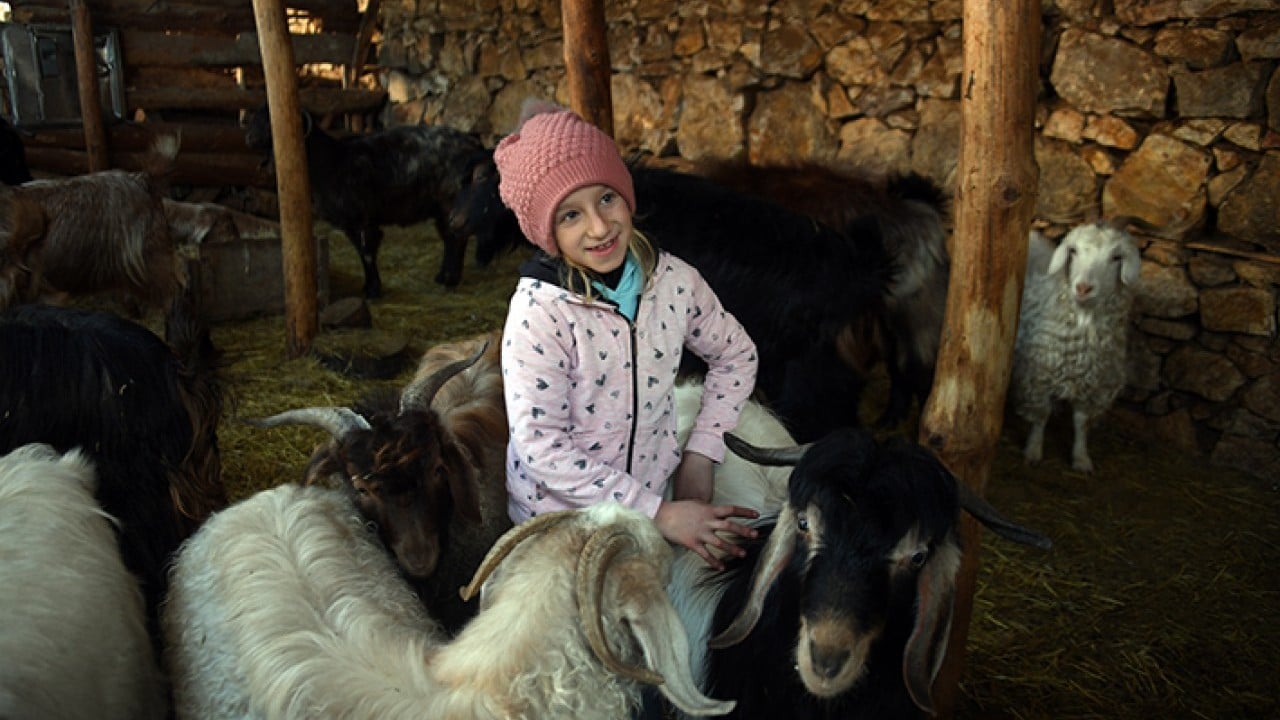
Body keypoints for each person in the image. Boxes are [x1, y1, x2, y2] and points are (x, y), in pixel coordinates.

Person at [494, 99, 760, 569]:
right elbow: (541, 446)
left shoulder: (674, 282)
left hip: (652, 511)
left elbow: (735, 355)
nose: (599, 227)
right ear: (546, 232)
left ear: (627, 194)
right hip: (559, 525)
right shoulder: (541, 314)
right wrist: (659, 513)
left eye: (606, 198)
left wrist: (701, 452)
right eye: (570, 215)